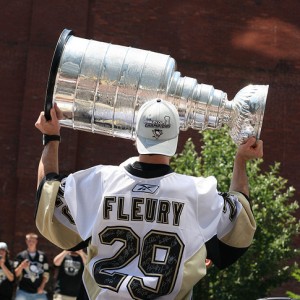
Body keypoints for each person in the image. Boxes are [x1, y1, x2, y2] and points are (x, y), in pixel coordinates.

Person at [34, 98, 263, 299]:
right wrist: (240, 160)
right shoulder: (197, 192)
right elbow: (239, 219)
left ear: (136, 137)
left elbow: (48, 196)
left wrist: (51, 138)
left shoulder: (99, 181)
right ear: (175, 141)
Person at [14, 233, 49, 300]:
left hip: (39, 291)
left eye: (33, 241)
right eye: (29, 241)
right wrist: (21, 266)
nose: (31, 243)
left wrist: (42, 287)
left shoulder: (42, 256)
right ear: (26, 241)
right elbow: (15, 274)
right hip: (23, 291)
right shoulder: (21, 256)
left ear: (36, 241)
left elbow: (46, 273)